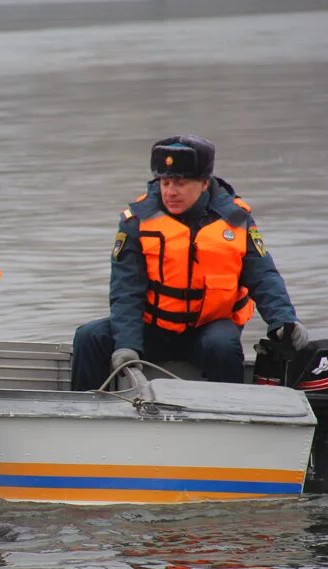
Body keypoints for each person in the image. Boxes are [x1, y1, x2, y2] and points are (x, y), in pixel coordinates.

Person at [70, 135, 307, 391]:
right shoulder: (136, 221)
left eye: (180, 183)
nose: (171, 192)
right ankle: (86, 411)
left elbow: (263, 276)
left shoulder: (236, 220)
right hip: (153, 329)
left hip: (207, 330)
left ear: (204, 183)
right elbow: (126, 290)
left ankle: (229, 414)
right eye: (165, 182)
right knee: (90, 336)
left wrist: (283, 320)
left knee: (223, 344)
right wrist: (128, 344)